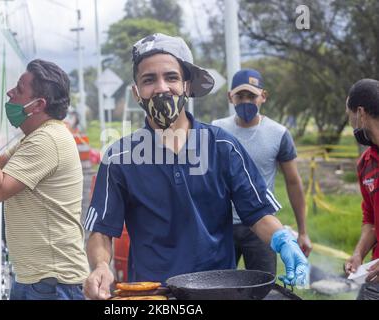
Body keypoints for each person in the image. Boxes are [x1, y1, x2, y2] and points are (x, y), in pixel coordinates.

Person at [83, 33, 309, 300]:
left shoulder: (223, 146)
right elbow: (101, 230)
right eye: (148, 80)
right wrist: (100, 266)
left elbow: (258, 213)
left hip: (218, 290)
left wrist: (284, 241)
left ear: (187, 85)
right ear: (136, 93)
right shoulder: (118, 157)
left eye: (171, 77)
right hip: (150, 294)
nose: (161, 87)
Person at [0, 59, 89, 300]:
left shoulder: (47, 141)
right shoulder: (37, 136)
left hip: (51, 283)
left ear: (37, 105)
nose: (10, 92)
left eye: (19, 90)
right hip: (38, 280)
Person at [212, 69, 312, 276]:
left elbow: (293, 182)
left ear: (263, 96)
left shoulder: (278, 133)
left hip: (262, 226)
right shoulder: (217, 130)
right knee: (215, 286)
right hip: (221, 226)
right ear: (230, 97)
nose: (246, 101)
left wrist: (303, 232)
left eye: (252, 96)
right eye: (240, 96)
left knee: (263, 289)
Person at [344, 79, 379, 284]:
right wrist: (358, 253)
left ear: (361, 113)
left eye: (350, 117)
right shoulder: (365, 164)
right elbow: (371, 221)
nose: (351, 124)